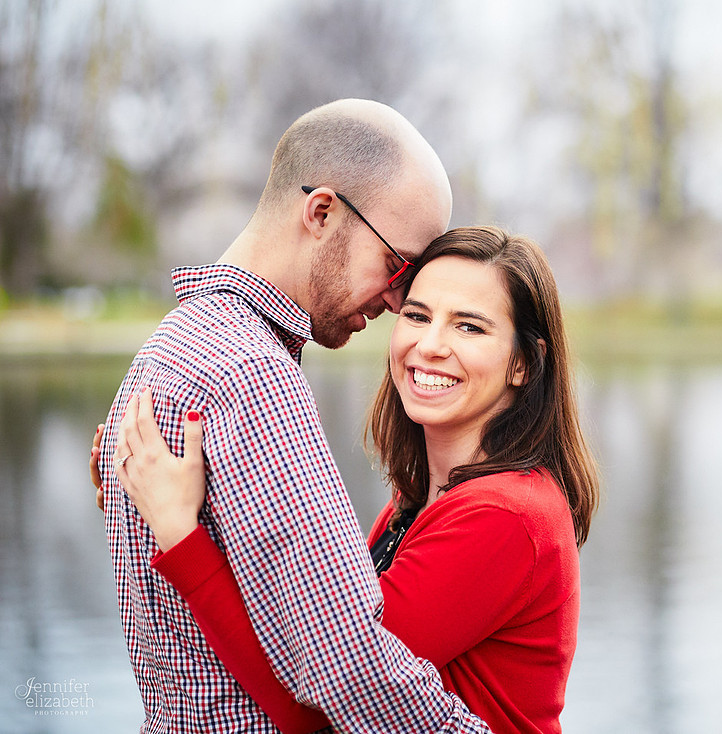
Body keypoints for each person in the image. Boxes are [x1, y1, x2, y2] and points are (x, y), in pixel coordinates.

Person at [95, 227, 599, 734]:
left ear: (522, 363)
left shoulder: (505, 516)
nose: (430, 345)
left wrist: (181, 532)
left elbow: (321, 705)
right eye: (418, 316)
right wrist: (156, 492)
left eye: (469, 328)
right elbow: (307, 633)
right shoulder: (419, 501)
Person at [93, 98, 495, 732]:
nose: (398, 300)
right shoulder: (250, 372)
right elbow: (352, 666)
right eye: (397, 265)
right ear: (322, 212)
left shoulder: (166, 348)